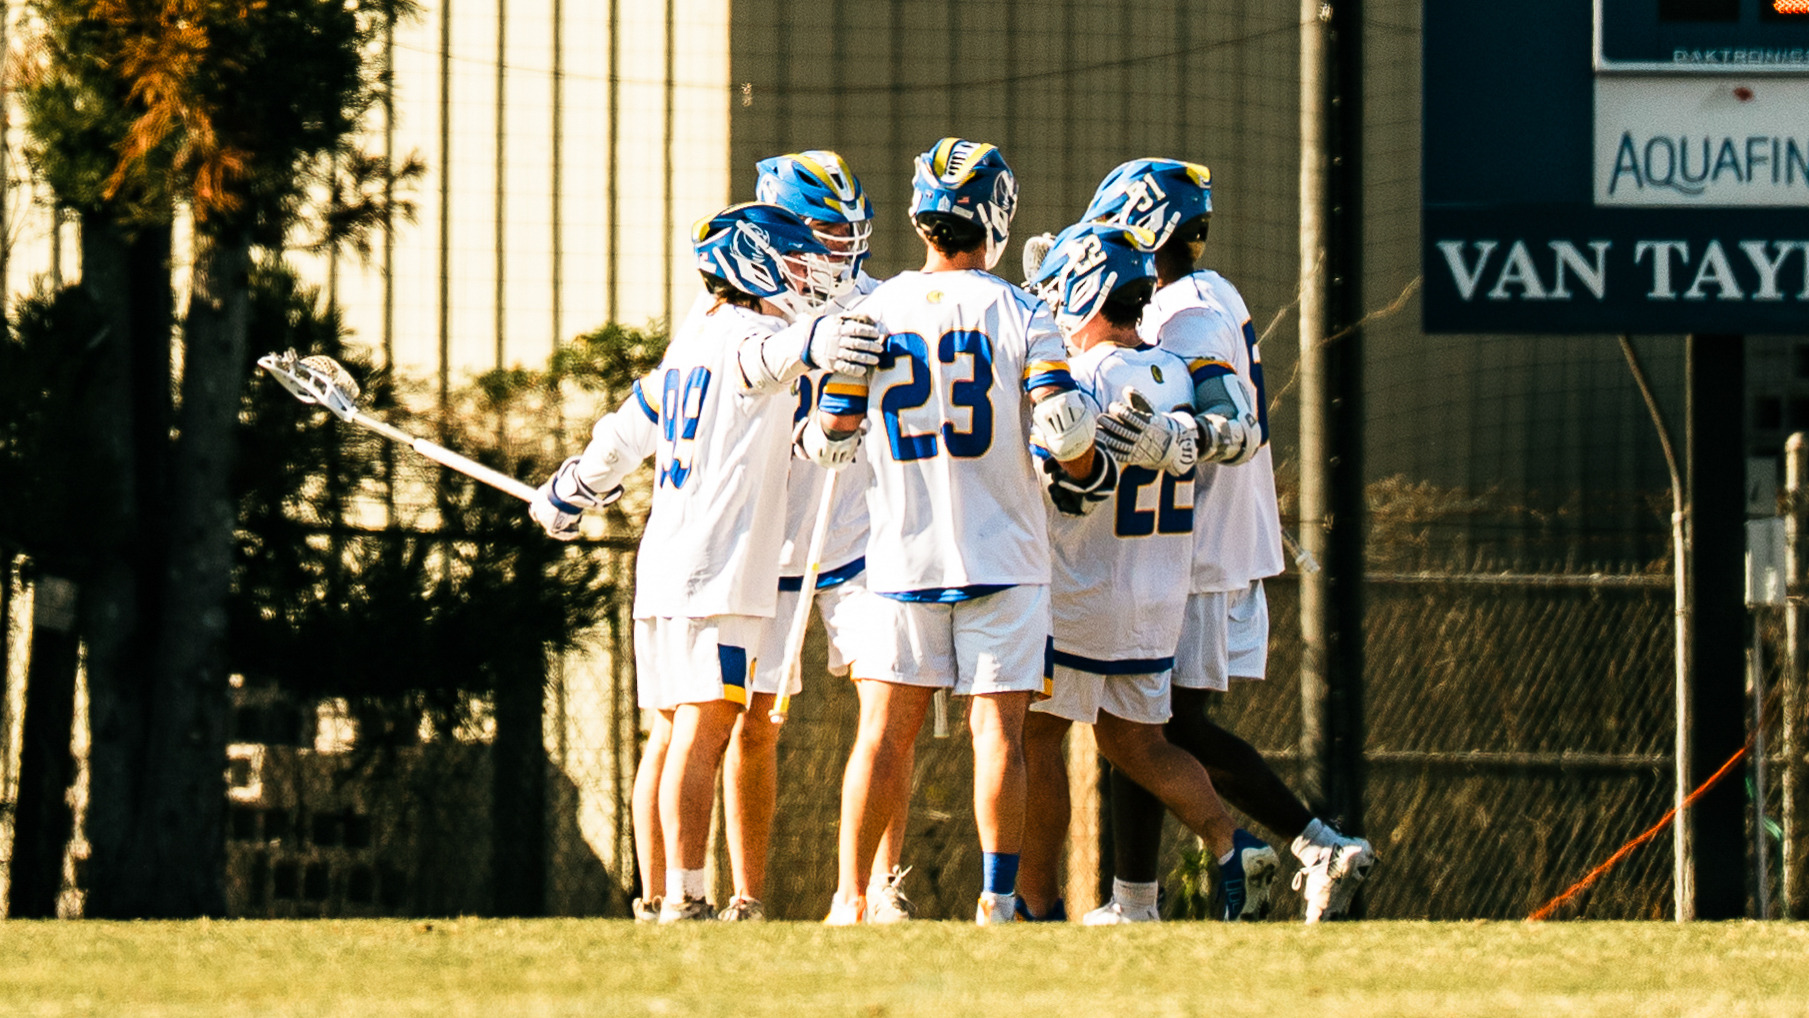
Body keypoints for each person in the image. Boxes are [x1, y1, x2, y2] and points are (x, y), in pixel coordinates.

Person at [528, 201, 883, 922]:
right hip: (719, 573)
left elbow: (621, 438)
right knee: (705, 725)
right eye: (788, 259)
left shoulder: (689, 345)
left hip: (663, 566)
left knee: (667, 731)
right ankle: (687, 894)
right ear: (751, 263)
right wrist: (833, 336)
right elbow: (784, 355)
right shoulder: (751, 339)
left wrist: (568, 492)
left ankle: (657, 895)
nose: (802, 272)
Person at [800, 137, 1115, 925]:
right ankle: (997, 899)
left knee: (882, 733)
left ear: (918, 212)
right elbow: (1066, 435)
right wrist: (1090, 468)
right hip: (1003, 552)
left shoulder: (871, 311)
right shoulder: (1024, 310)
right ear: (996, 214)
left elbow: (828, 438)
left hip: (900, 552)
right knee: (997, 732)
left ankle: (849, 900)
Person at [1084, 158, 1377, 923]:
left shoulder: (1189, 311)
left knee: (1159, 727)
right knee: (1136, 719)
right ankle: (1133, 900)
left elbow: (1233, 429)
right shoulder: (1198, 296)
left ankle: (1316, 843)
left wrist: (1174, 435)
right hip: (1185, 537)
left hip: (1199, 543)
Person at [1015, 222, 1280, 924]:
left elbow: (1064, 484)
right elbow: (1240, 427)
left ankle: (1032, 904)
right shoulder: (1178, 369)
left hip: (1084, 584)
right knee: (1134, 738)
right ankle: (1230, 843)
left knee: (1033, 738)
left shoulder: (1083, 376)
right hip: (1159, 589)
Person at [715, 151, 915, 922]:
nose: (839, 250)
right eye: (823, 233)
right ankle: (746, 896)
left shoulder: (882, 302)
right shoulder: (748, 311)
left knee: (887, 714)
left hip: (864, 535)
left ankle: (874, 887)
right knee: (755, 725)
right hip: (769, 544)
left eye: (846, 233)